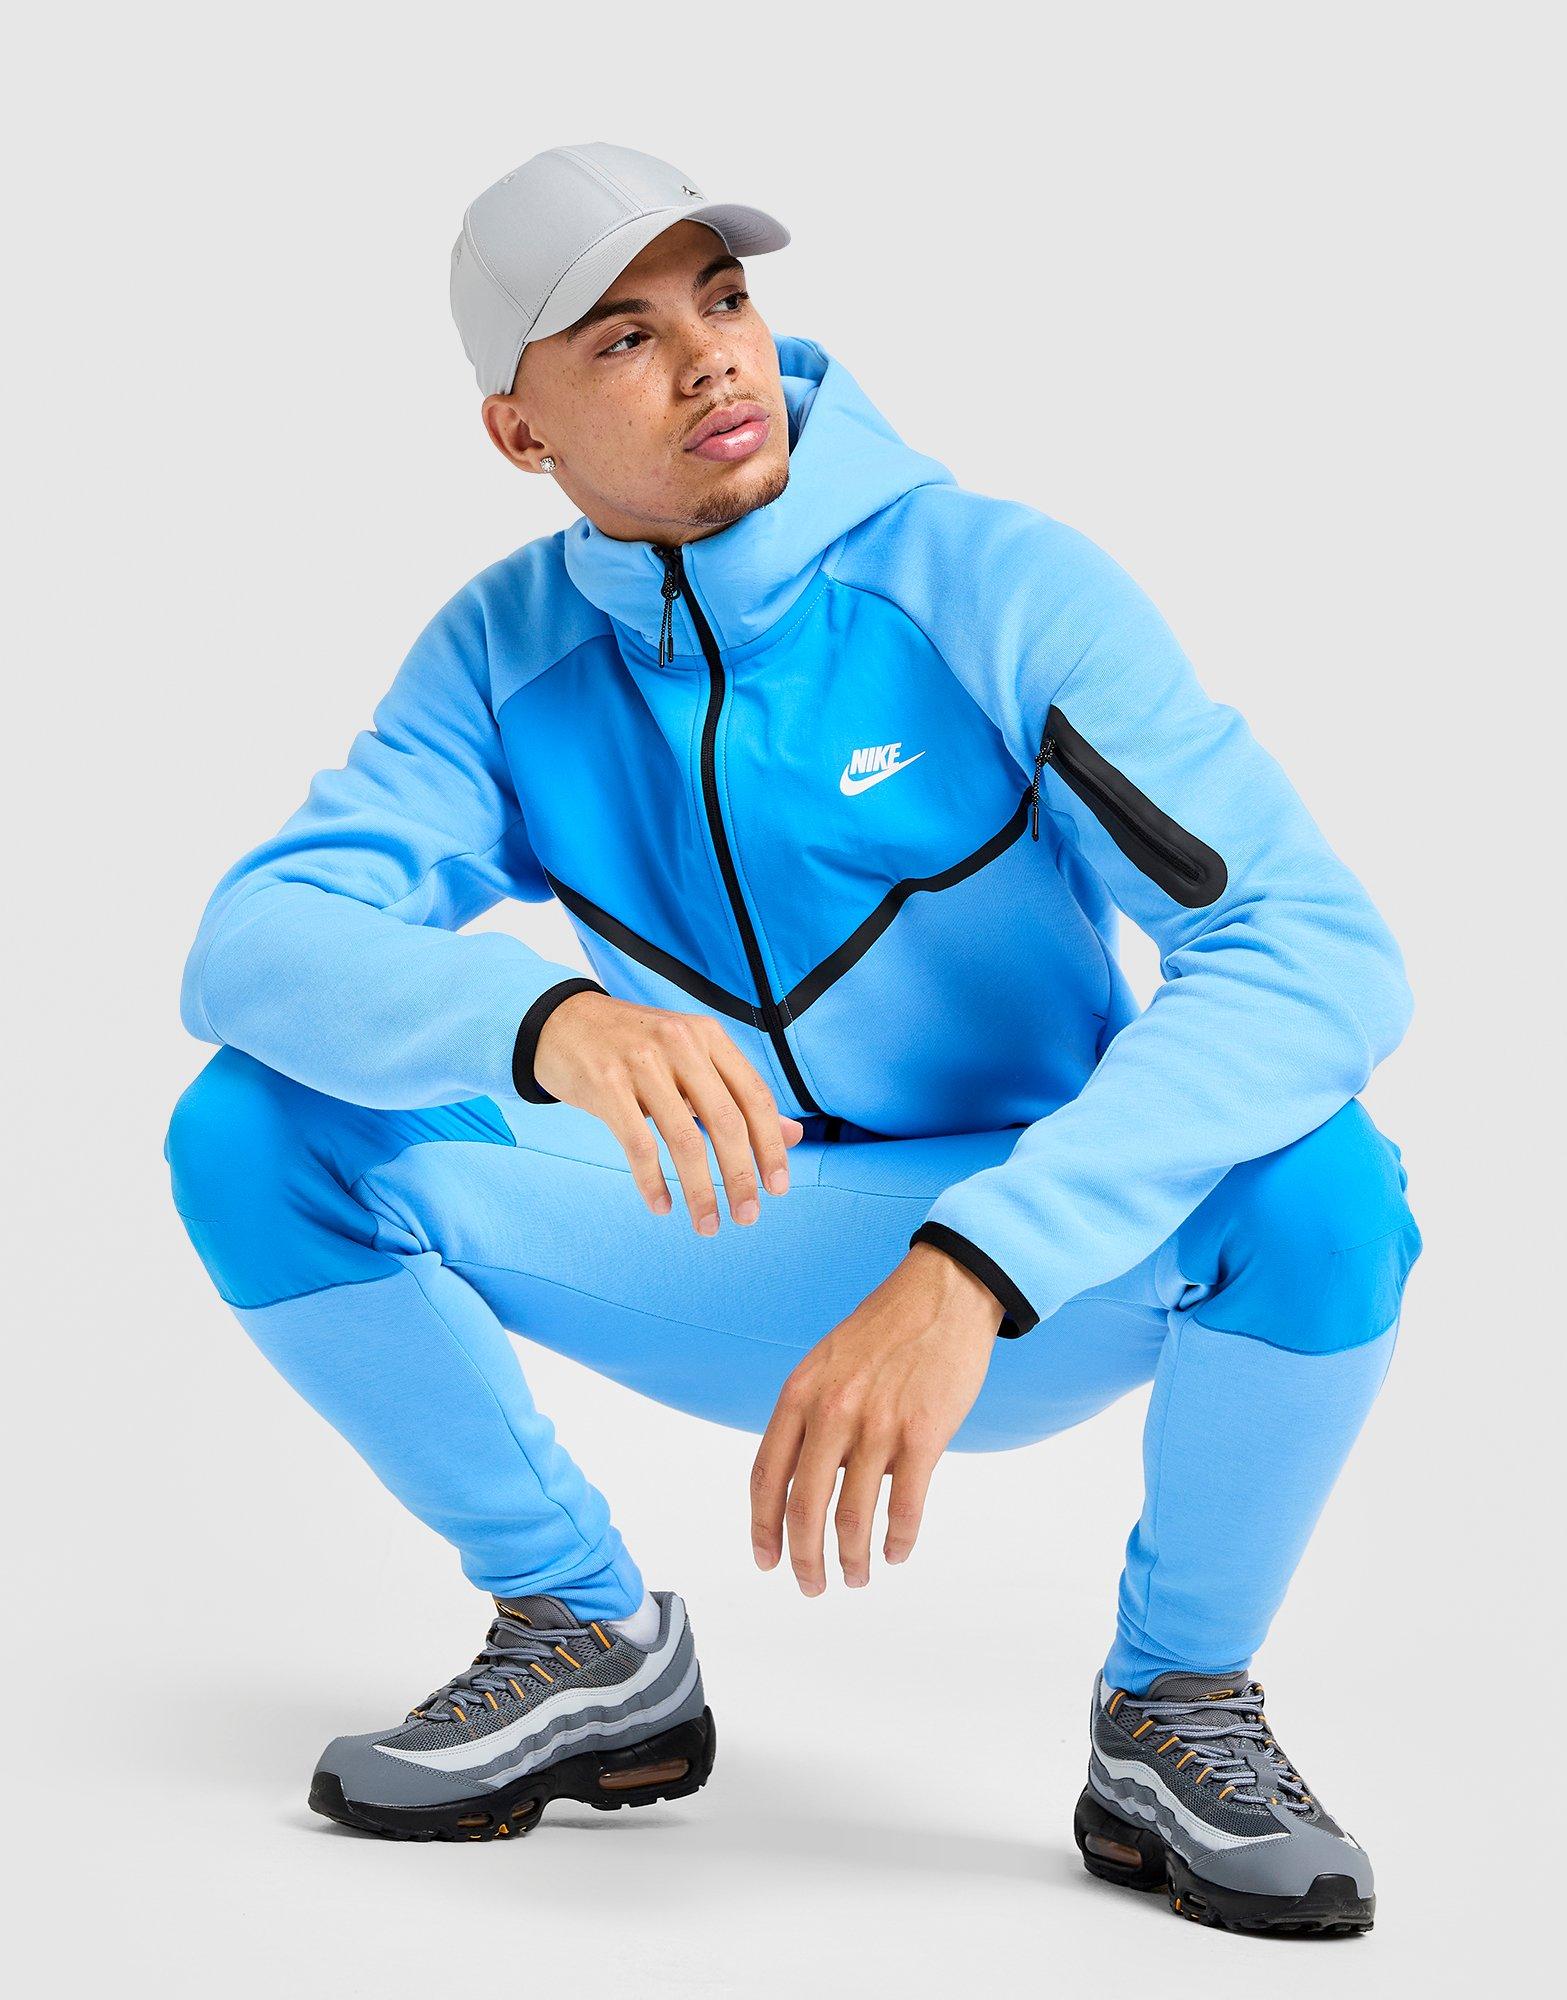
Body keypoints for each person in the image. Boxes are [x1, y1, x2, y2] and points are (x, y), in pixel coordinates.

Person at [166, 142, 1420, 1932]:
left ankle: (1178, 1708)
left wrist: (980, 1259)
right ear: (520, 433)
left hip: (1039, 1272)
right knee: (251, 1130)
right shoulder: (505, 654)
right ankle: (583, 1639)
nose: (712, 361)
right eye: (623, 339)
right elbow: (251, 944)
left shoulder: (991, 581)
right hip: (729, 1225)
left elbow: (1312, 949)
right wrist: (546, 1019)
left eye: (725, 299)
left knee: (1325, 1184)